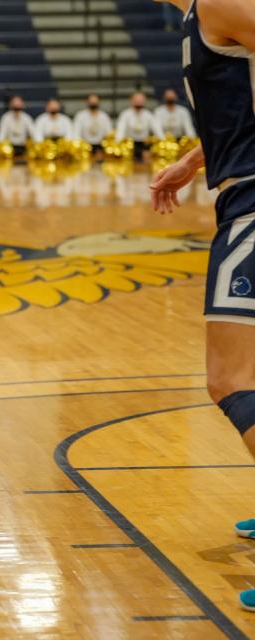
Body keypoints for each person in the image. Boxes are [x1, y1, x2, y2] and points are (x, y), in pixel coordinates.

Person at [150, 0, 255, 612]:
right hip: (237, 193)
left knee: (230, 380)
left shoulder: (220, 2)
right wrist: (193, 161)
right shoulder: (196, 16)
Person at [116, 91, 163, 161]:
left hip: (144, 145)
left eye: (141, 100)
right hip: (130, 145)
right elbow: (120, 130)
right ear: (131, 101)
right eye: (137, 100)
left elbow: (157, 130)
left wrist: (163, 141)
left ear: (145, 101)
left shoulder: (149, 115)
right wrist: (118, 143)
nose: (139, 102)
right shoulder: (125, 114)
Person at [74, 94, 114, 160]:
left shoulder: (104, 116)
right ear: (87, 102)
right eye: (91, 102)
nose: (93, 103)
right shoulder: (80, 116)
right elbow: (76, 133)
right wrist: (82, 147)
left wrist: (103, 149)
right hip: (84, 146)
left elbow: (108, 134)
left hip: (100, 146)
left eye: (95, 101)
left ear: (99, 102)